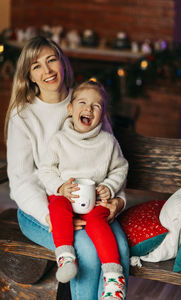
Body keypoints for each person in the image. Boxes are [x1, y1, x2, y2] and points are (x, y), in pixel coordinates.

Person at [4, 36, 130, 300]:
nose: (47, 70)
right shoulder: (24, 115)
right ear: (30, 75)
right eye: (37, 65)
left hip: (92, 206)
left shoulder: (86, 101)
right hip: (46, 210)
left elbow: (111, 159)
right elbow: (21, 181)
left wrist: (117, 201)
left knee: (119, 247)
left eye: (52, 60)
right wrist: (54, 218)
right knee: (86, 252)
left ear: (63, 63)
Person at [38, 80, 129, 299]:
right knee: (56, 206)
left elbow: (120, 168)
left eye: (96, 106)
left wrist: (109, 186)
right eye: (82, 102)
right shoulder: (59, 140)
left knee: (100, 221)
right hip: (66, 198)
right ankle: (66, 257)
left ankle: (114, 278)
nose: (88, 108)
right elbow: (46, 169)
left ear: (102, 114)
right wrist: (60, 187)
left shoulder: (108, 142)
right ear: (70, 109)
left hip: (93, 200)